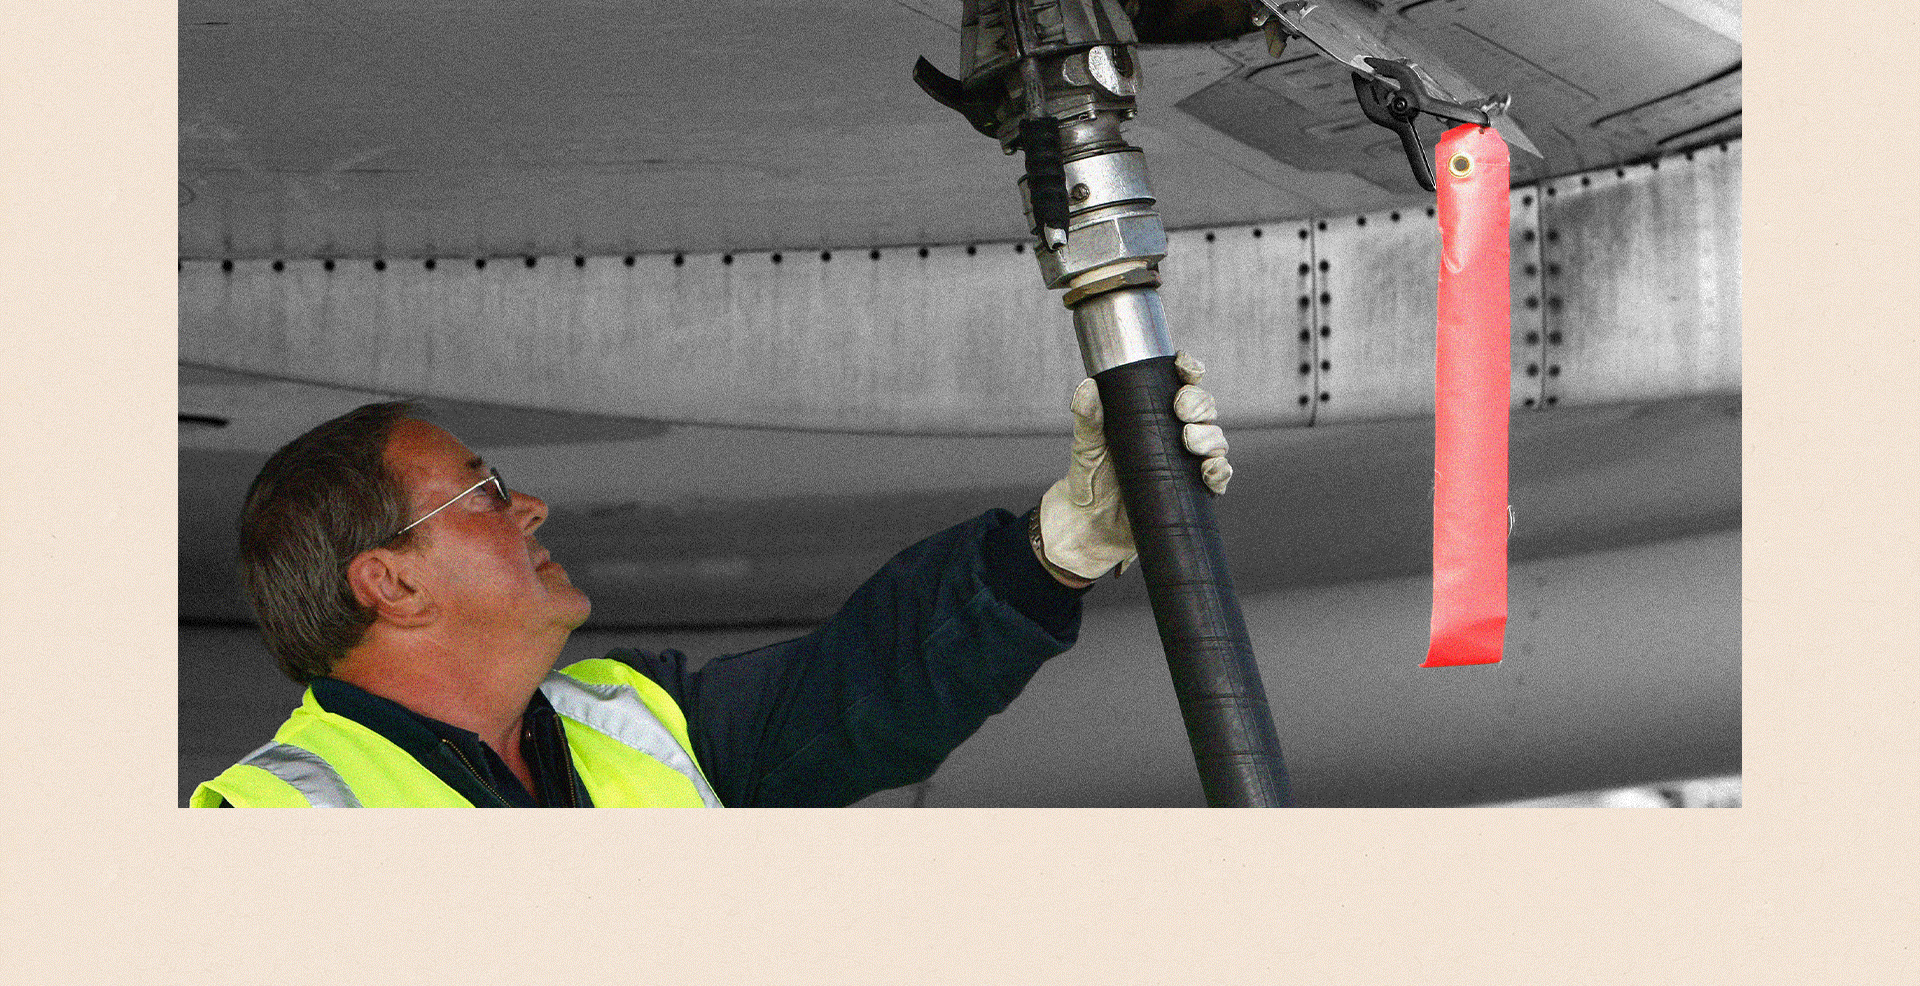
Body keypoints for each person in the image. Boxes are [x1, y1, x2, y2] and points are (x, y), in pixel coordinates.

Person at [190, 355, 1231, 807]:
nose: (530, 506)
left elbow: (867, 689)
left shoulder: (635, 720)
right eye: (484, 490)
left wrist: (1070, 538)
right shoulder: (277, 824)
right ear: (393, 583)